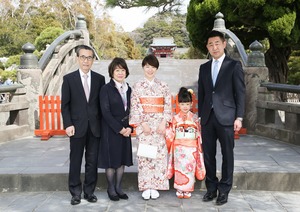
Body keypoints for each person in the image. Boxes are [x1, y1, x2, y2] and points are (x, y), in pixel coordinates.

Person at [198, 30, 245, 205]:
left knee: (227, 155)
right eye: (210, 44)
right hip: (208, 118)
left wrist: (239, 117)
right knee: (208, 156)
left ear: (224, 44)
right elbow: (202, 93)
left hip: (227, 118)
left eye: (217, 43)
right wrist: (200, 116)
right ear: (207, 47)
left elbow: (240, 93)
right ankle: (211, 188)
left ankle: (224, 190)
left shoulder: (234, 65)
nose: (214, 47)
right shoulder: (203, 68)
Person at [61, 45, 105, 205]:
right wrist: (68, 124)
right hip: (76, 127)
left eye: (89, 57)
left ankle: (89, 192)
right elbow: (64, 105)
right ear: (77, 58)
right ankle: (75, 192)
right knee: (75, 160)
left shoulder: (100, 79)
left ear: (93, 60)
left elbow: (101, 105)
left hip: (94, 127)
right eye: (83, 57)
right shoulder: (69, 79)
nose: (86, 60)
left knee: (92, 161)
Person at [129, 54, 172, 200]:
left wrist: (163, 122)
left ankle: (157, 185)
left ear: (157, 69)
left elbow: (167, 105)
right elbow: (135, 106)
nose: (150, 70)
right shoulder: (137, 86)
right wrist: (143, 123)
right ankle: (146, 186)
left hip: (159, 125)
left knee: (159, 156)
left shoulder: (163, 86)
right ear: (143, 67)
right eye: (147, 66)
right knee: (145, 156)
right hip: (145, 126)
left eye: (153, 67)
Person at [98, 57, 133, 201]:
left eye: (122, 70)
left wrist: (130, 127)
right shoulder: (106, 89)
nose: (120, 73)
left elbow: (133, 109)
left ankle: (119, 187)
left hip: (126, 130)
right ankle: (111, 188)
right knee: (112, 160)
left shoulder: (129, 89)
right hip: (111, 130)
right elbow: (105, 112)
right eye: (117, 70)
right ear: (112, 72)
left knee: (121, 159)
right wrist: (120, 129)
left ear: (126, 72)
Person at [166, 87, 205, 199]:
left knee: (189, 168)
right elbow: (171, 132)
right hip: (179, 147)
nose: (185, 107)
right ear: (178, 105)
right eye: (182, 104)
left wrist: (198, 140)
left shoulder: (195, 118)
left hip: (191, 147)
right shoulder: (175, 118)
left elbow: (198, 132)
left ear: (191, 104)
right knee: (179, 168)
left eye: (187, 104)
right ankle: (179, 188)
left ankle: (187, 189)